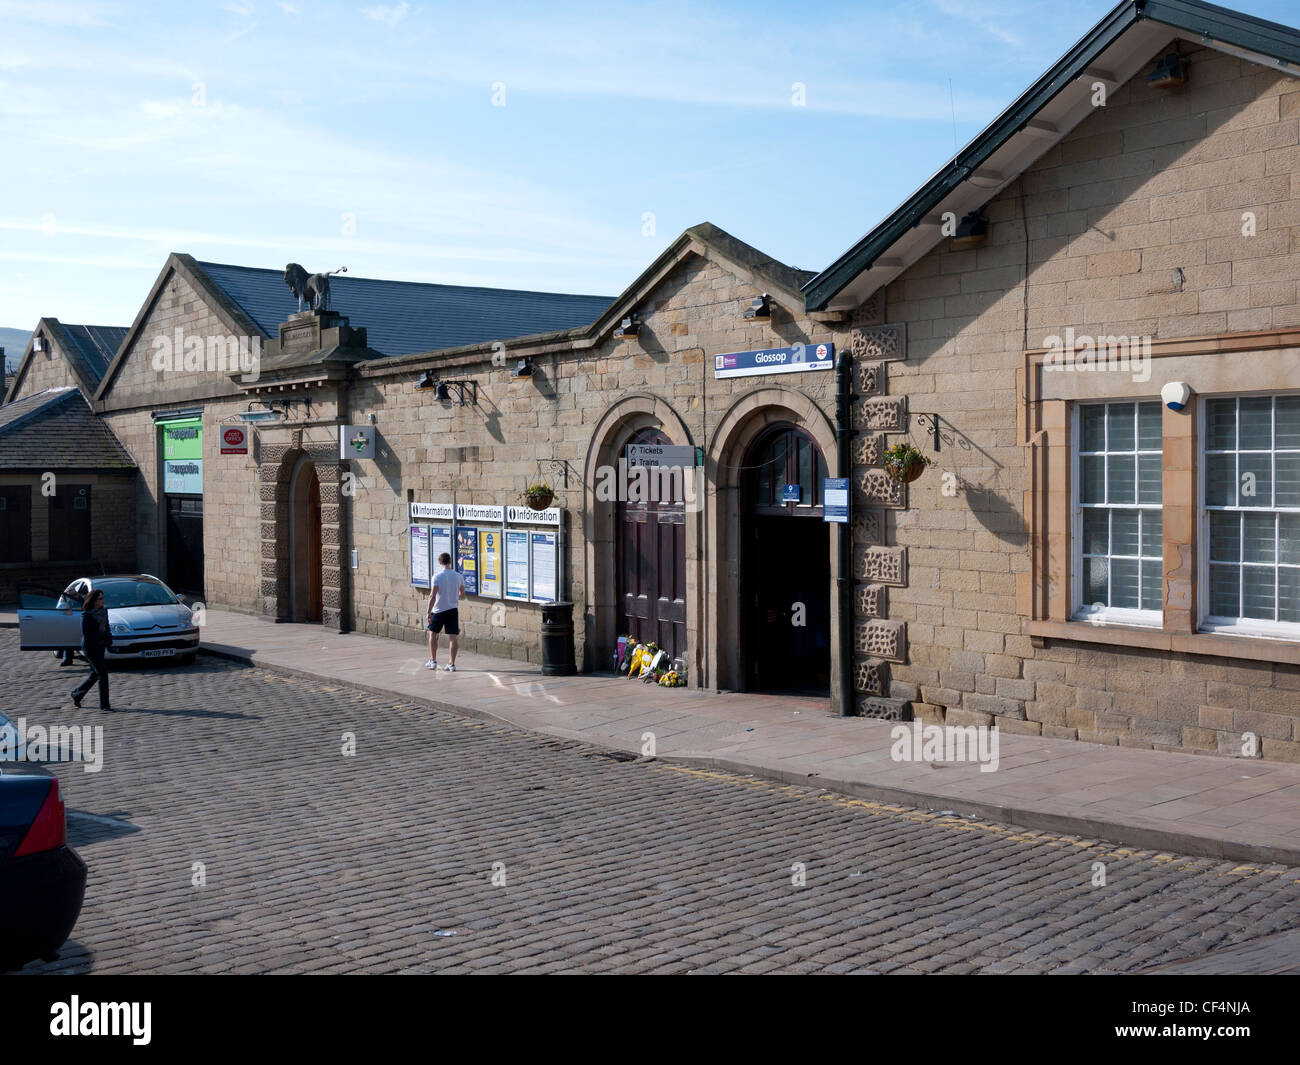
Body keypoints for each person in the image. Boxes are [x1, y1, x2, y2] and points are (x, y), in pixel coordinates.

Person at [71, 588, 114, 711]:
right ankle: (104, 705)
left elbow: (107, 626)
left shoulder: (104, 611)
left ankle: (77, 694)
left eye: (103, 598)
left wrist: (108, 639)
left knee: (95, 674)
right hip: (90, 647)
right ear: (94, 601)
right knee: (103, 674)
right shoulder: (86, 615)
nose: (103, 600)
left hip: (101, 646)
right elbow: (88, 634)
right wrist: (101, 639)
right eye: (100, 598)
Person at [425, 552, 465, 672]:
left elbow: (432, 596)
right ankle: (451, 664)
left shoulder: (437, 577)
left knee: (433, 634)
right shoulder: (458, 576)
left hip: (438, 610)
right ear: (450, 561)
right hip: (453, 609)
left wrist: (428, 612)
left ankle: (433, 661)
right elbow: (462, 595)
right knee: (453, 637)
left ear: (440, 562)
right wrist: (454, 595)